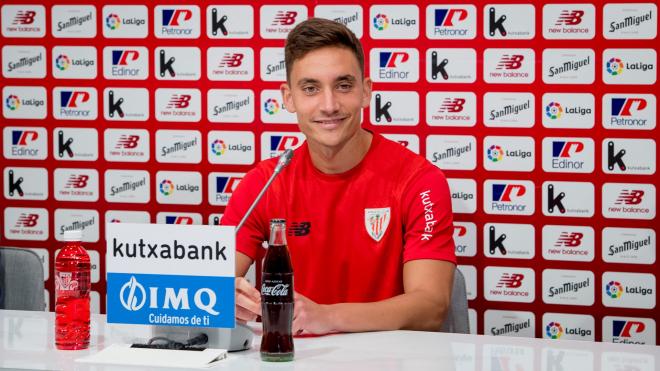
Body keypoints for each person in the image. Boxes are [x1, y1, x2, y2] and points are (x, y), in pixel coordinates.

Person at [221, 18, 456, 335]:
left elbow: (431, 307)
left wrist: (325, 317)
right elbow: (214, 283)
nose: (329, 105)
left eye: (343, 85)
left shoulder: (419, 180)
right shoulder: (263, 182)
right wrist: (225, 297)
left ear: (366, 91)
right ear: (288, 98)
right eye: (310, 89)